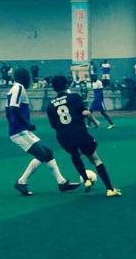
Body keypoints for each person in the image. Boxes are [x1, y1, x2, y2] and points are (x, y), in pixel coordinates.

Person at [5, 68, 80, 196]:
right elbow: (13, 108)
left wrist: (15, 124)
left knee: (48, 152)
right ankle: (21, 182)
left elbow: (8, 112)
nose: (29, 80)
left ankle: (62, 183)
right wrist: (26, 124)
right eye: (28, 77)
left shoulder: (14, 89)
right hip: (19, 131)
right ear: (23, 78)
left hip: (20, 130)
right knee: (42, 154)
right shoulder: (18, 88)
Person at [47, 75, 122, 197]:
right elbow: (85, 112)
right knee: (96, 159)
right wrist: (95, 121)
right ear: (66, 85)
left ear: (54, 88)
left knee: (74, 154)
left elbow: (54, 125)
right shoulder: (74, 97)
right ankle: (110, 189)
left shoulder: (50, 105)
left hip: (63, 136)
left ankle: (86, 180)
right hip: (79, 132)